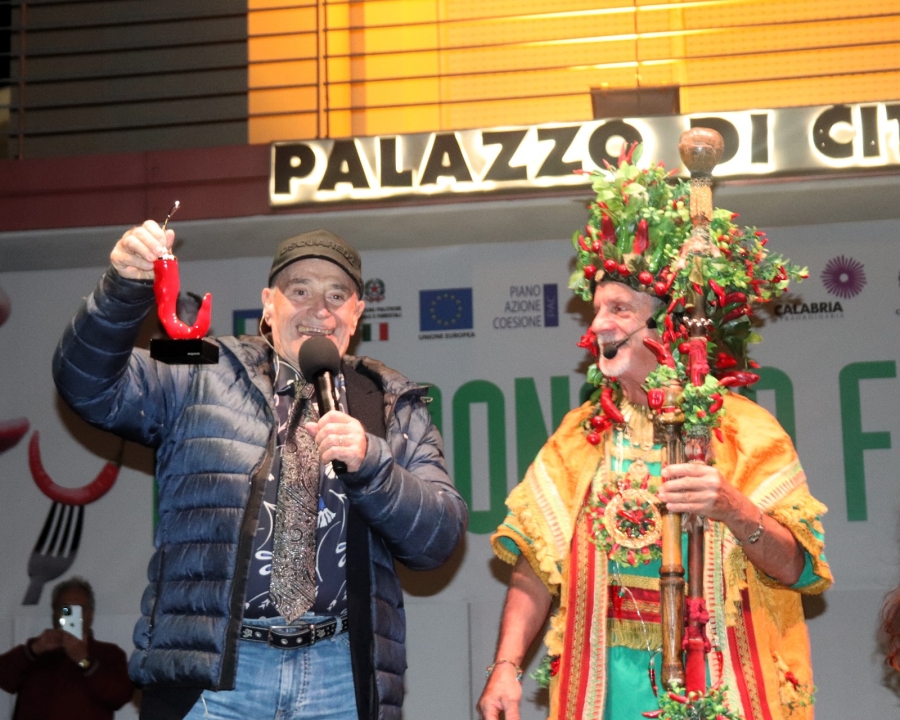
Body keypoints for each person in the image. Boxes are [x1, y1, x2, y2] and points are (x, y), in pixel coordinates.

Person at [52, 225, 467, 720]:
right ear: (268, 304)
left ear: (357, 312)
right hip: (217, 678)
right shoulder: (202, 370)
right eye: (300, 291)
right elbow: (87, 384)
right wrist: (122, 289)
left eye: (337, 295)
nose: (320, 309)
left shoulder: (389, 399)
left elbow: (439, 536)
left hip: (338, 675)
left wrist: (372, 464)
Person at [477, 151, 832, 720]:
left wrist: (736, 510)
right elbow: (534, 568)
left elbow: (797, 569)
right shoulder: (579, 436)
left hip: (720, 677)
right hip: (604, 686)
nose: (597, 326)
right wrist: (505, 667)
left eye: (618, 309)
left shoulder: (743, 430)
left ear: (666, 322)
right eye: (595, 311)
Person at [0, 576, 134, 720]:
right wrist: (34, 649)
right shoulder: (37, 650)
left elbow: (119, 696)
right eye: (65, 609)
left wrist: (84, 661)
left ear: (90, 614)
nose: (71, 615)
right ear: (55, 613)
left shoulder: (108, 653)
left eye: (78, 610)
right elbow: (5, 679)